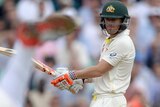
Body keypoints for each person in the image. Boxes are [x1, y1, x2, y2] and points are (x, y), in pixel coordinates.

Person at [51, 1, 135, 107]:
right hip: (102, 99)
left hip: (111, 100)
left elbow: (99, 70)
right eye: (107, 19)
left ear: (123, 21)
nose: (109, 23)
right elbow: (104, 75)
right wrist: (81, 79)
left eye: (114, 19)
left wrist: (72, 75)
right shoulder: (109, 41)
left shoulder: (122, 41)